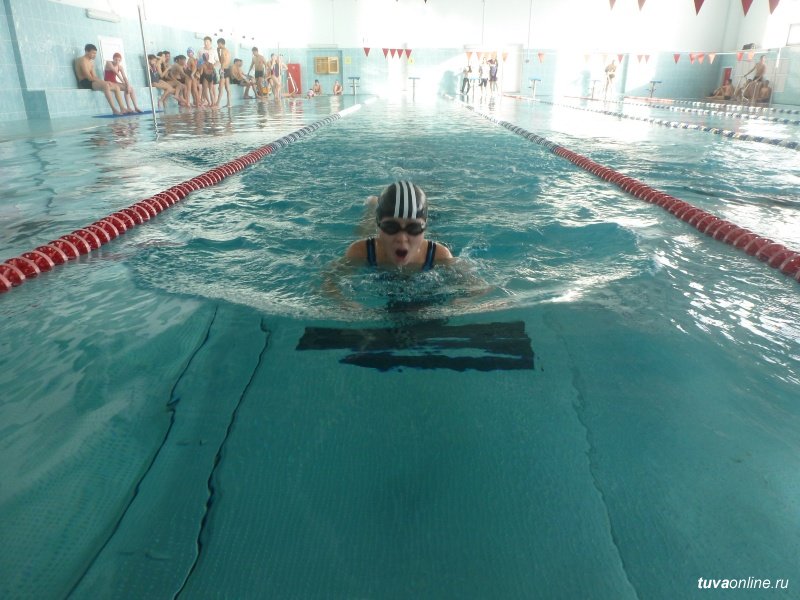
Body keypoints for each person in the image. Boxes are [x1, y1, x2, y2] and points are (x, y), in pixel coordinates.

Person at [345, 181, 453, 270]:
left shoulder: (440, 256)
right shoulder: (361, 252)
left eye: (413, 228)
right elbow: (335, 281)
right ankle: (373, 205)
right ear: (378, 224)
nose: (402, 238)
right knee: (365, 230)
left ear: (425, 227)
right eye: (391, 227)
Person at [74, 43, 127, 115]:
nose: (94, 55)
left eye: (95, 53)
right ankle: (114, 109)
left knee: (116, 87)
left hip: (92, 81)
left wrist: (104, 82)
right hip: (85, 82)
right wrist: (104, 82)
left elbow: (94, 77)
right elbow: (89, 77)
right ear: (86, 52)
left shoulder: (90, 62)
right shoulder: (82, 60)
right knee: (106, 85)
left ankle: (122, 108)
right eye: (93, 53)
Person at [216, 38, 232, 107]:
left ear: (221, 43)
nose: (218, 45)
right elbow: (221, 61)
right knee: (227, 88)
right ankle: (229, 104)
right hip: (227, 69)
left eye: (218, 44)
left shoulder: (223, 51)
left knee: (220, 88)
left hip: (224, 70)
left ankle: (217, 104)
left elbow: (224, 61)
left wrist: (221, 69)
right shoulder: (226, 51)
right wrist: (218, 52)